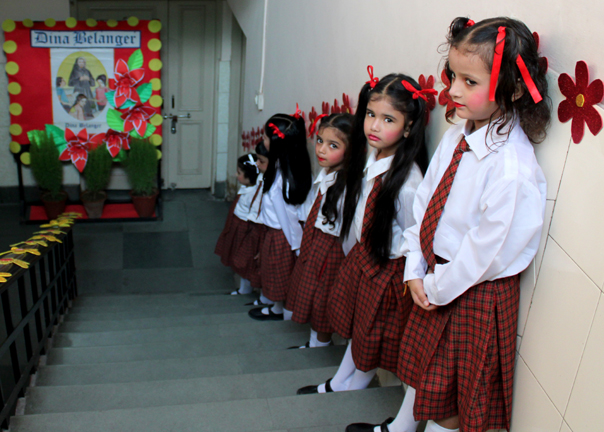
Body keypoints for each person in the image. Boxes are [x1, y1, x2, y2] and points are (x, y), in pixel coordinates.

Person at [346, 16, 550, 432]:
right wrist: (414, 266)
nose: (453, 90)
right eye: (453, 76)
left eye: (469, 82)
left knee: (448, 400)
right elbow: (426, 201)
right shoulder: (458, 135)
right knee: (425, 371)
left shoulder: (511, 166)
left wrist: (436, 286)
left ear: (513, 88)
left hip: (470, 291)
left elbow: (487, 250)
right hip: (436, 276)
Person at [298, 71, 429, 394]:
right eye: (371, 114)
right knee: (359, 327)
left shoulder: (407, 182)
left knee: (371, 333)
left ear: (409, 126)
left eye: (388, 119)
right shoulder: (372, 156)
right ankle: (339, 381)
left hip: (387, 269)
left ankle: (352, 386)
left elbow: (413, 236)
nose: (374, 126)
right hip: (364, 259)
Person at [286, 112, 361, 348]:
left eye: (333, 145)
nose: (321, 150)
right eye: (320, 141)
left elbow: (349, 234)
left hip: (332, 249)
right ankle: (315, 342)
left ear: (351, 149)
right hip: (317, 243)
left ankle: (320, 344)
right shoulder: (327, 174)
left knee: (323, 299)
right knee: (313, 294)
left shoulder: (347, 186)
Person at [248, 112, 312, 321]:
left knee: (280, 274)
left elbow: (289, 219)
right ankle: (276, 308)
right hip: (276, 233)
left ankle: (283, 312)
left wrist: (297, 247)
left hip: (282, 237)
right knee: (273, 272)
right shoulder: (280, 168)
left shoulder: (283, 179)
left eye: (266, 137)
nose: (262, 140)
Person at [230, 142, 270, 296]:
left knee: (250, 261)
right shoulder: (254, 184)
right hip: (245, 226)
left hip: (252, 227)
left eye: (239, 172)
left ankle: (260, 294)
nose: (236, 175)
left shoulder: (258, 189)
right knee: (243, 259)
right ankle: (245, 288)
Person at [215, 154, 262, 280]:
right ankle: (241, 282)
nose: (236, 175)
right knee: (235, 251)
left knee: (243, 258)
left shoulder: (253, 195)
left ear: (249, 176)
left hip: (244, 228)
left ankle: (245, 285)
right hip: (236, 224)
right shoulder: (246, 188)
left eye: (239, 173)